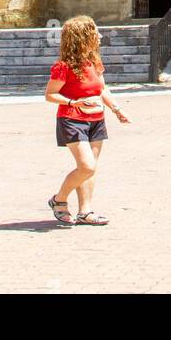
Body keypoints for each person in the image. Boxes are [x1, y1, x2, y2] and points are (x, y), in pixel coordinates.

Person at [45, 15, 130, 226]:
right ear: (82, 37)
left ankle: (85, 211)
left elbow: (102, 89)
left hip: (96, 119)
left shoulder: (94, 62)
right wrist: (74, 102)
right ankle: (59, 199)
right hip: (72, 120)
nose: (100, 36)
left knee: (91, 167)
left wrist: (116, 109)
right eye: (95, 32)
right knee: (87, 166)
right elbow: (50, 94)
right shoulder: (63, 67)